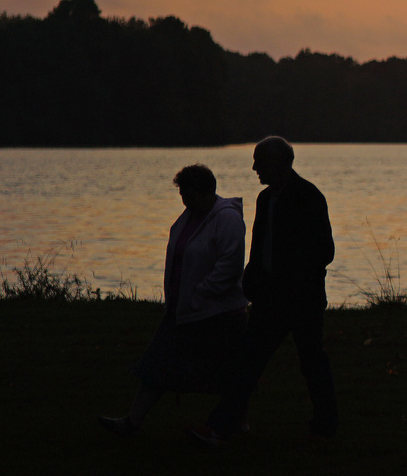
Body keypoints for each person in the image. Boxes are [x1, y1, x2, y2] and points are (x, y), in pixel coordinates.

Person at [190, 136, 337, 444]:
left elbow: (324, 250)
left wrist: (290, 279)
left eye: (259, 160)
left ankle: (324, 428)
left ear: (279, 163)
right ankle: (222, 426)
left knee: (311, 363)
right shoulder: (265, 199)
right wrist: (254, 279)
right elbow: (260, 246)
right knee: (248, 362)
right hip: (271, 297)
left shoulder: (308, 197)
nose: (254, 167)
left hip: (301, 298)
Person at [98, 164, 247, 437]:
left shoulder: (226, 219)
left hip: (217, 313)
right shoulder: (188, 217)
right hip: (184, 311)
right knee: (158, 365)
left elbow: (230, 264)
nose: (184, 200)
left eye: (188, 194)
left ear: (205, 192)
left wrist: (202, 292)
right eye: (182, 194)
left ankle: (235, 424)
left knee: (227, 371)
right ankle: (133, 421)